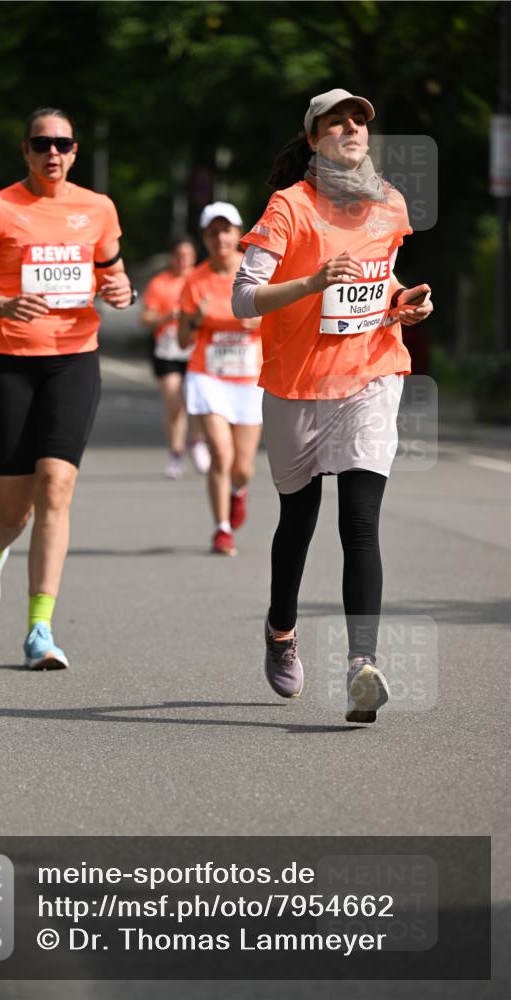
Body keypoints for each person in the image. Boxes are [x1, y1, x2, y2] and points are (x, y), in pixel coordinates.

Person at [232, 88, 433, 722]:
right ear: (315, 139)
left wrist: (406, 303)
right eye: (336, 122)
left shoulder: (390, 205)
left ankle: (360, 667)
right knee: (298, 520)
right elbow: (243, 298)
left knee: (361, 520)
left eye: (359, 121)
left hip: (374, 373)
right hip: (296, 384)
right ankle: (281, 629)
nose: (351, 128)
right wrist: (314, 281)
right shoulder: (289, 207)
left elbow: (383, 280)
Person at [0, 106, 135, 670]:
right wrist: (4, 303)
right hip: (8, 361)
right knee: (14, 509)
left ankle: (39, 628)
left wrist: (120, 289)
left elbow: (113, 272)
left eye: (63, 143)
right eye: (41, 143)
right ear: (25, 151)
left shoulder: (98, 208)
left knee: (55, 485)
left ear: (75, 151)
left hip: (73, 359)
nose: (52, 152)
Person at [178, 202, 263, 556]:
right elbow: (183, 340)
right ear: (205, 238)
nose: (221, 237)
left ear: (238, 233)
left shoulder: (256, 271)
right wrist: (196, 319)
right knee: (220, 453)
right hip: (208, 375)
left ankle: (237, 492)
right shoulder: (195, 281)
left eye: (227, 230)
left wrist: (256, 322)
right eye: (213, 232)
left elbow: (280, 319)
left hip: (249, 377)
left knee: (243, 468)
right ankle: (222, 528)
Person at [141, 236, 210, 479]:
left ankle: (195, 441)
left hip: (195, 349)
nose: (183, 261)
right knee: (175, 405)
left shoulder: (202, 279)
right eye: (179, 256)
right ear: (172, 257)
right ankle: (175, 454)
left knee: (197, 403)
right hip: (167, 350)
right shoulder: (160, 283)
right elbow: (145, 319)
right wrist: (166, 316)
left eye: (188, 256)